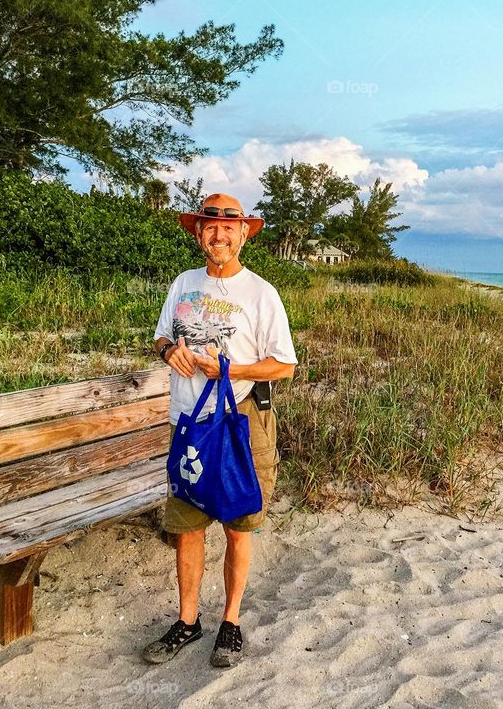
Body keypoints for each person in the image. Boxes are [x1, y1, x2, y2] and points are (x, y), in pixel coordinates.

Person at [142, 192, 298, 669]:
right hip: (186, 425)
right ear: (198, 233)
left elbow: (285, 366)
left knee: (237, 527)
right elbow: (160, 336)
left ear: (245, 234)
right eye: (210, 224)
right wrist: (169, 351)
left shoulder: (261, 292)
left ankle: (230, 622)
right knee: (188, 529)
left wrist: (232, 371)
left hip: (240, 422)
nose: (220, 232)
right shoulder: (183, 284)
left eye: (230, 225)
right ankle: (187, 622)